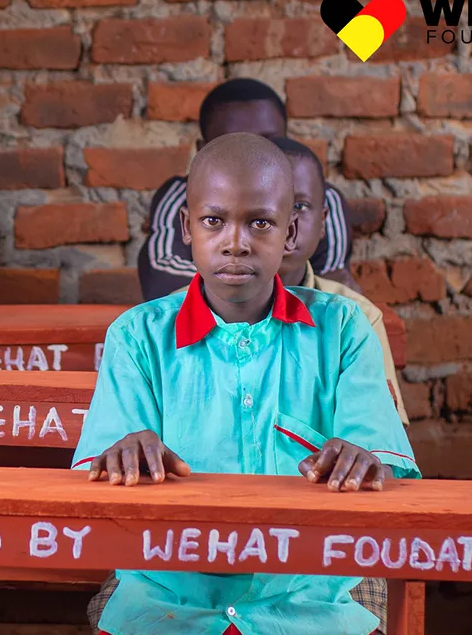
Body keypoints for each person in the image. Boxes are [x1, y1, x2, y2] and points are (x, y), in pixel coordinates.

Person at [75, 133, 418, 635]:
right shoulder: (136, 337)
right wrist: (125, 452)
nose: (236, 242)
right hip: (168, 600)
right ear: (186, 228)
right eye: (214, 221)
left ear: (292, 231)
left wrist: (367, 460)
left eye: (260, 222)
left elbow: (382, 466)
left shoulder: (344, 331)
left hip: (310, 601)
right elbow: (103, 474)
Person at [138, 78, 360, 301]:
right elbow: (163, 280)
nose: (251, 151)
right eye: (213, 220)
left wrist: (227, 273)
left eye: (270, 140)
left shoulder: (319, 197)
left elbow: (333, 286)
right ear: (202, 148)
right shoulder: (179, 196)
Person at [272, 136, 408, 425]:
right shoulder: (173, 314)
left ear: (323, 222)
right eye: (267, 205)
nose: (287, 221)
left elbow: (385, 441)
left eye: (299, 205)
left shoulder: (354, 316)